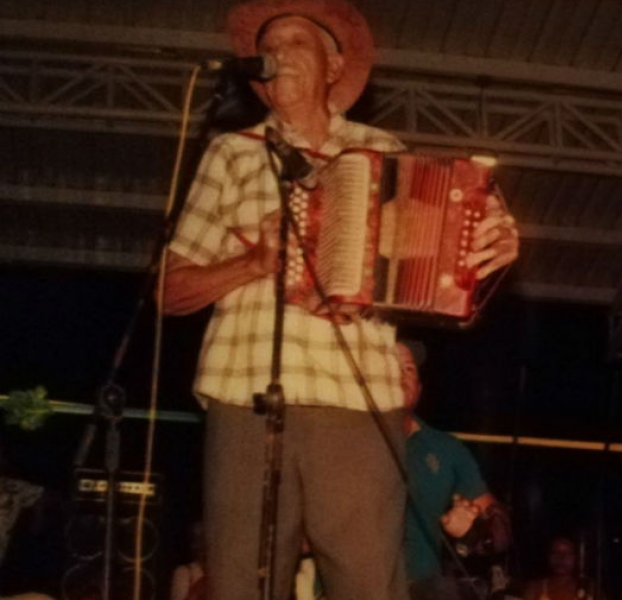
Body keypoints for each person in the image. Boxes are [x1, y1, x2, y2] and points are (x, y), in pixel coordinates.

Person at [162, 1, 518, 598]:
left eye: (296, 41)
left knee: (368, 585)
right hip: (245, 391)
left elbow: (442, 251)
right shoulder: (229, 152)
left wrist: (493, 236)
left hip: (356, 401)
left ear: (332, 66)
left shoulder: (381, 148)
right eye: (269, 45)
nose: (279, 53)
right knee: (240, 585)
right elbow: (170, 290)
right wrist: (253, 263)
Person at [398, 342, 511, 600]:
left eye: (409, 369)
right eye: (389, 368)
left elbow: (499, 528)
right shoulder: (346, 441)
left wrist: (478, 531)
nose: (400, 375)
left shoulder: (446, 449)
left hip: (422, 588)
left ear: (419, 389)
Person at [521, 536, 603, 600]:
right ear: (549, 557)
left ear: (576, 557)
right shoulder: (535, 588)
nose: (561, 558)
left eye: (567, 553)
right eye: (555, 553)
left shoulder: (589, 589)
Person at [170, 521, 206, 600]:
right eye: (195, 540)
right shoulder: (184, 572)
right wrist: (195, 593)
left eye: (202, 539)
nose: (198, 545)